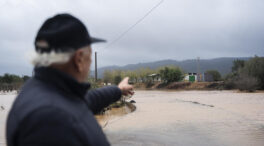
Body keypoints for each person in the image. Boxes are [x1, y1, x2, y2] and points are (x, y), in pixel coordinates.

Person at [6, 13, 134, 146]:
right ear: (79, 59)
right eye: (89, 55)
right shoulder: (50, 120)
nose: (90, 62)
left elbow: (90, 99)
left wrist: (119, 90)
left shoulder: (49, 91)